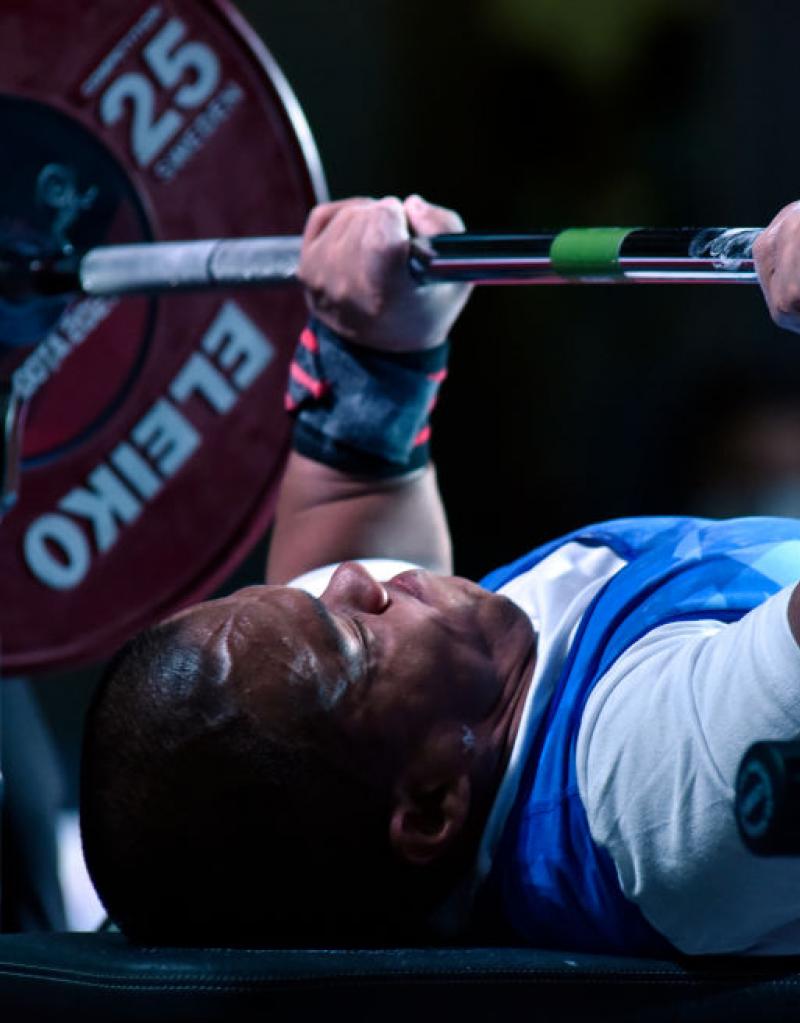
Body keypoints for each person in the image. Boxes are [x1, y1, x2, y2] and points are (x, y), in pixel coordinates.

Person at [81, 195, 800, 956]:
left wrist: (371, 347)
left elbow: (352, 495)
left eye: (299, 595)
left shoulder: (403, 724)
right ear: (430, 805)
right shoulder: (656, 789)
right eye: (353, 634)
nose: (352, 578)